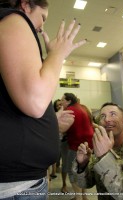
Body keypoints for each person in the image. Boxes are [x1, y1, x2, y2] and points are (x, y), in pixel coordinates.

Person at [0, 0, 87, 199]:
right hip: (17, 187)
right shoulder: (13, 19)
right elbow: (36, 102)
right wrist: (57, 54)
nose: (41, 28)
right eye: (42, 17)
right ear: (25, 6)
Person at [72, 102, 123, 200]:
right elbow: (86, 183)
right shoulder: (97, 150)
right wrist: (82, 165)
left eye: (113, 114)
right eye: (103, 116)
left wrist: (106, 157)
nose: (107, 119)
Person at [61, 93, 94, 200]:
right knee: (83, 170)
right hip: (88, 144)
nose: (61, 102)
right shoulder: (83, 108)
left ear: (69, 101)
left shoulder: (69, 110)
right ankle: (84, 197)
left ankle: (78, 197)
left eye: (63, 100)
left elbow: (63, 129)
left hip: (77, 144)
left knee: (72, 171)